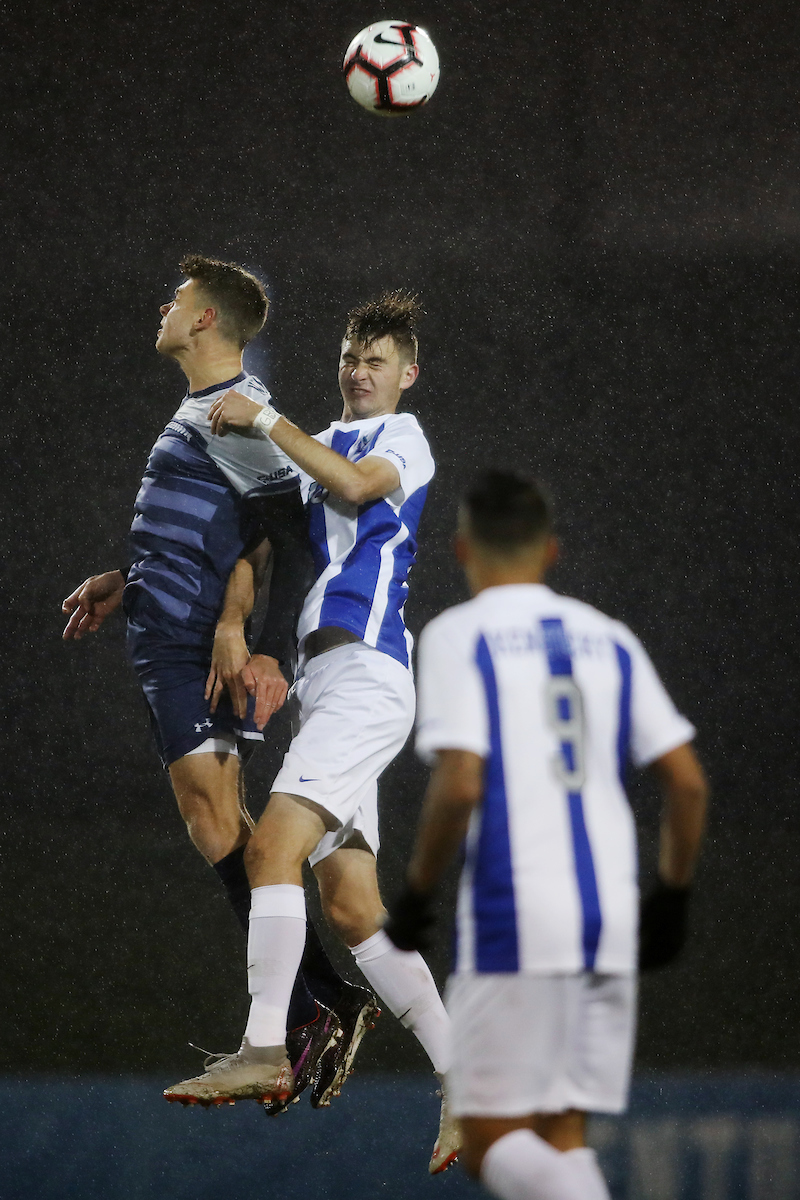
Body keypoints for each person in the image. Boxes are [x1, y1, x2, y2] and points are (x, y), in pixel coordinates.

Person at [164, 292, 460, 1174]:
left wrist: (269, 417)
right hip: (323, 686)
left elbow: (362, 487)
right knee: (353, 907)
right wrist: (228, 621)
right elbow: (258, 550)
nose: (359, 371)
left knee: (269, 851)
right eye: (349, 357)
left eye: (376, 361)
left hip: (368, 677)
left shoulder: (399, 440)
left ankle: (264, 1043)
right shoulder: (308, 454)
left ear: (406, 375)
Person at [61, 255, 369, 1102]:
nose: (163, 306)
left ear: (204, 321)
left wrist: (262, 644)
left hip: (193, 649)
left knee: (216, 822)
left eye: (177, 300)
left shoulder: (239, 416)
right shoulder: (204, 411)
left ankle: (317, 1005)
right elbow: (215, 536)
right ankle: (320, 1002)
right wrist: (127, 583)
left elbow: (289, 540)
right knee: (216, 824)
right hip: (169, 630)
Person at [385, 469, 709, 1200]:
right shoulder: (609, 639)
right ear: (551, 551)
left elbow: (461, 781)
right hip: (608, 917)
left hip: (514, 914)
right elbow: (686, 782)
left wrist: (415, 892)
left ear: (463, 549)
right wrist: (674, 895)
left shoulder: (458, 634)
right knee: (561, 1138)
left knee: (489, 1141)